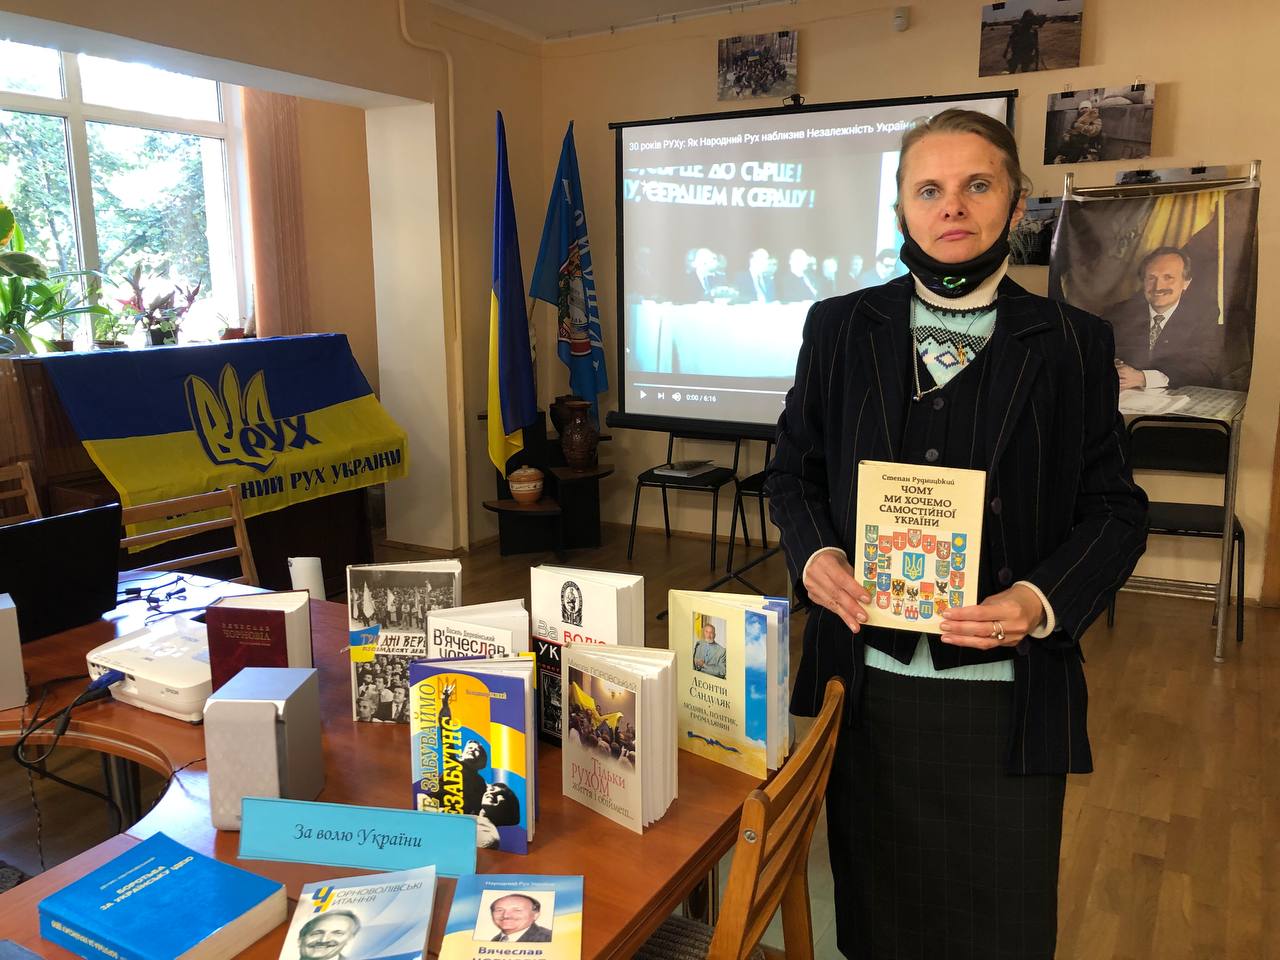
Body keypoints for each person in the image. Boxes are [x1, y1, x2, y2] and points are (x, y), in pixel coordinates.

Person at [765, 108, 1148, 960]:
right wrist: (816, 553)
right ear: (901, 207)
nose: (953, 206)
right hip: (865, 687)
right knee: (877, 919)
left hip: (1005, 696)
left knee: (1000, 926)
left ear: (1015, 202)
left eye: (978, 185)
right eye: (928, 189)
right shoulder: (838, 327)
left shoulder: (1074, 344)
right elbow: (791, 473)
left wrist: (1038, 600)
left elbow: (1117, 510)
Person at [1104, 246, 1224, 390]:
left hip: (1180, 398)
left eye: (1168, 278)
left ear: (1186, 283)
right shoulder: (1121, 312)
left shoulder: (1203, 314)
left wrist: (1143, 378)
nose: (1158, 286)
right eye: (1151, 278)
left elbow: (1203, 369)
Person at [488, 893, 552, 942]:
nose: (506, 915)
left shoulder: (548, 939)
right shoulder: (496, 939)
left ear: (535, 915)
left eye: (517, 910)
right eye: (499, 910)